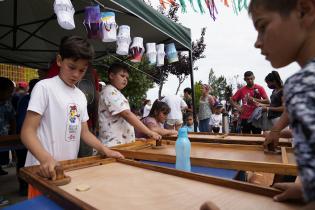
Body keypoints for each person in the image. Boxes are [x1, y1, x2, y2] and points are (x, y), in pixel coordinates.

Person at [21, 36, 124, 198]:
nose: (76, 74)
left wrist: (105, 150)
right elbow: (27, 131)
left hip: (67, 169)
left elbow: (85, 133)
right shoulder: (44, 87)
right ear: (59, 60)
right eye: (72, 67)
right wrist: (46, 159)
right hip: (41, 170)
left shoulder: (80, 96)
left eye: (82, 70)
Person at [248, 0, 315, 205]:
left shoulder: (302, 84)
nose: (257, 42)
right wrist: (309, 188)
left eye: (263, 26)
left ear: (303, 11)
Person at [98, 63, 161, 147]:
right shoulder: (109, 91)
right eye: (122, 76)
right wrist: (149, 132)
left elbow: (120, 122)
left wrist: (132, 139)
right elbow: (126, 114)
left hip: (119, 143)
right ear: (112, 76)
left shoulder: (116, 93)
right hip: (112, 145)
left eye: (127, 78)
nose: (125, 79)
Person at [15, 78, 39, 196]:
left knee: (23, 160)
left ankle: (24, 186)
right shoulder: (27, 100)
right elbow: (22, 123)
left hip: (30, 136)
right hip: (25, 137)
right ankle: (23, 186)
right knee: (23, 161)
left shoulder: (27, 99)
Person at [0, 77, 15, 206]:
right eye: (9, 91)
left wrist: (14, 134)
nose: (11, 94)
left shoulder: (7, 102)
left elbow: (12, 118)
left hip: (4, 138)